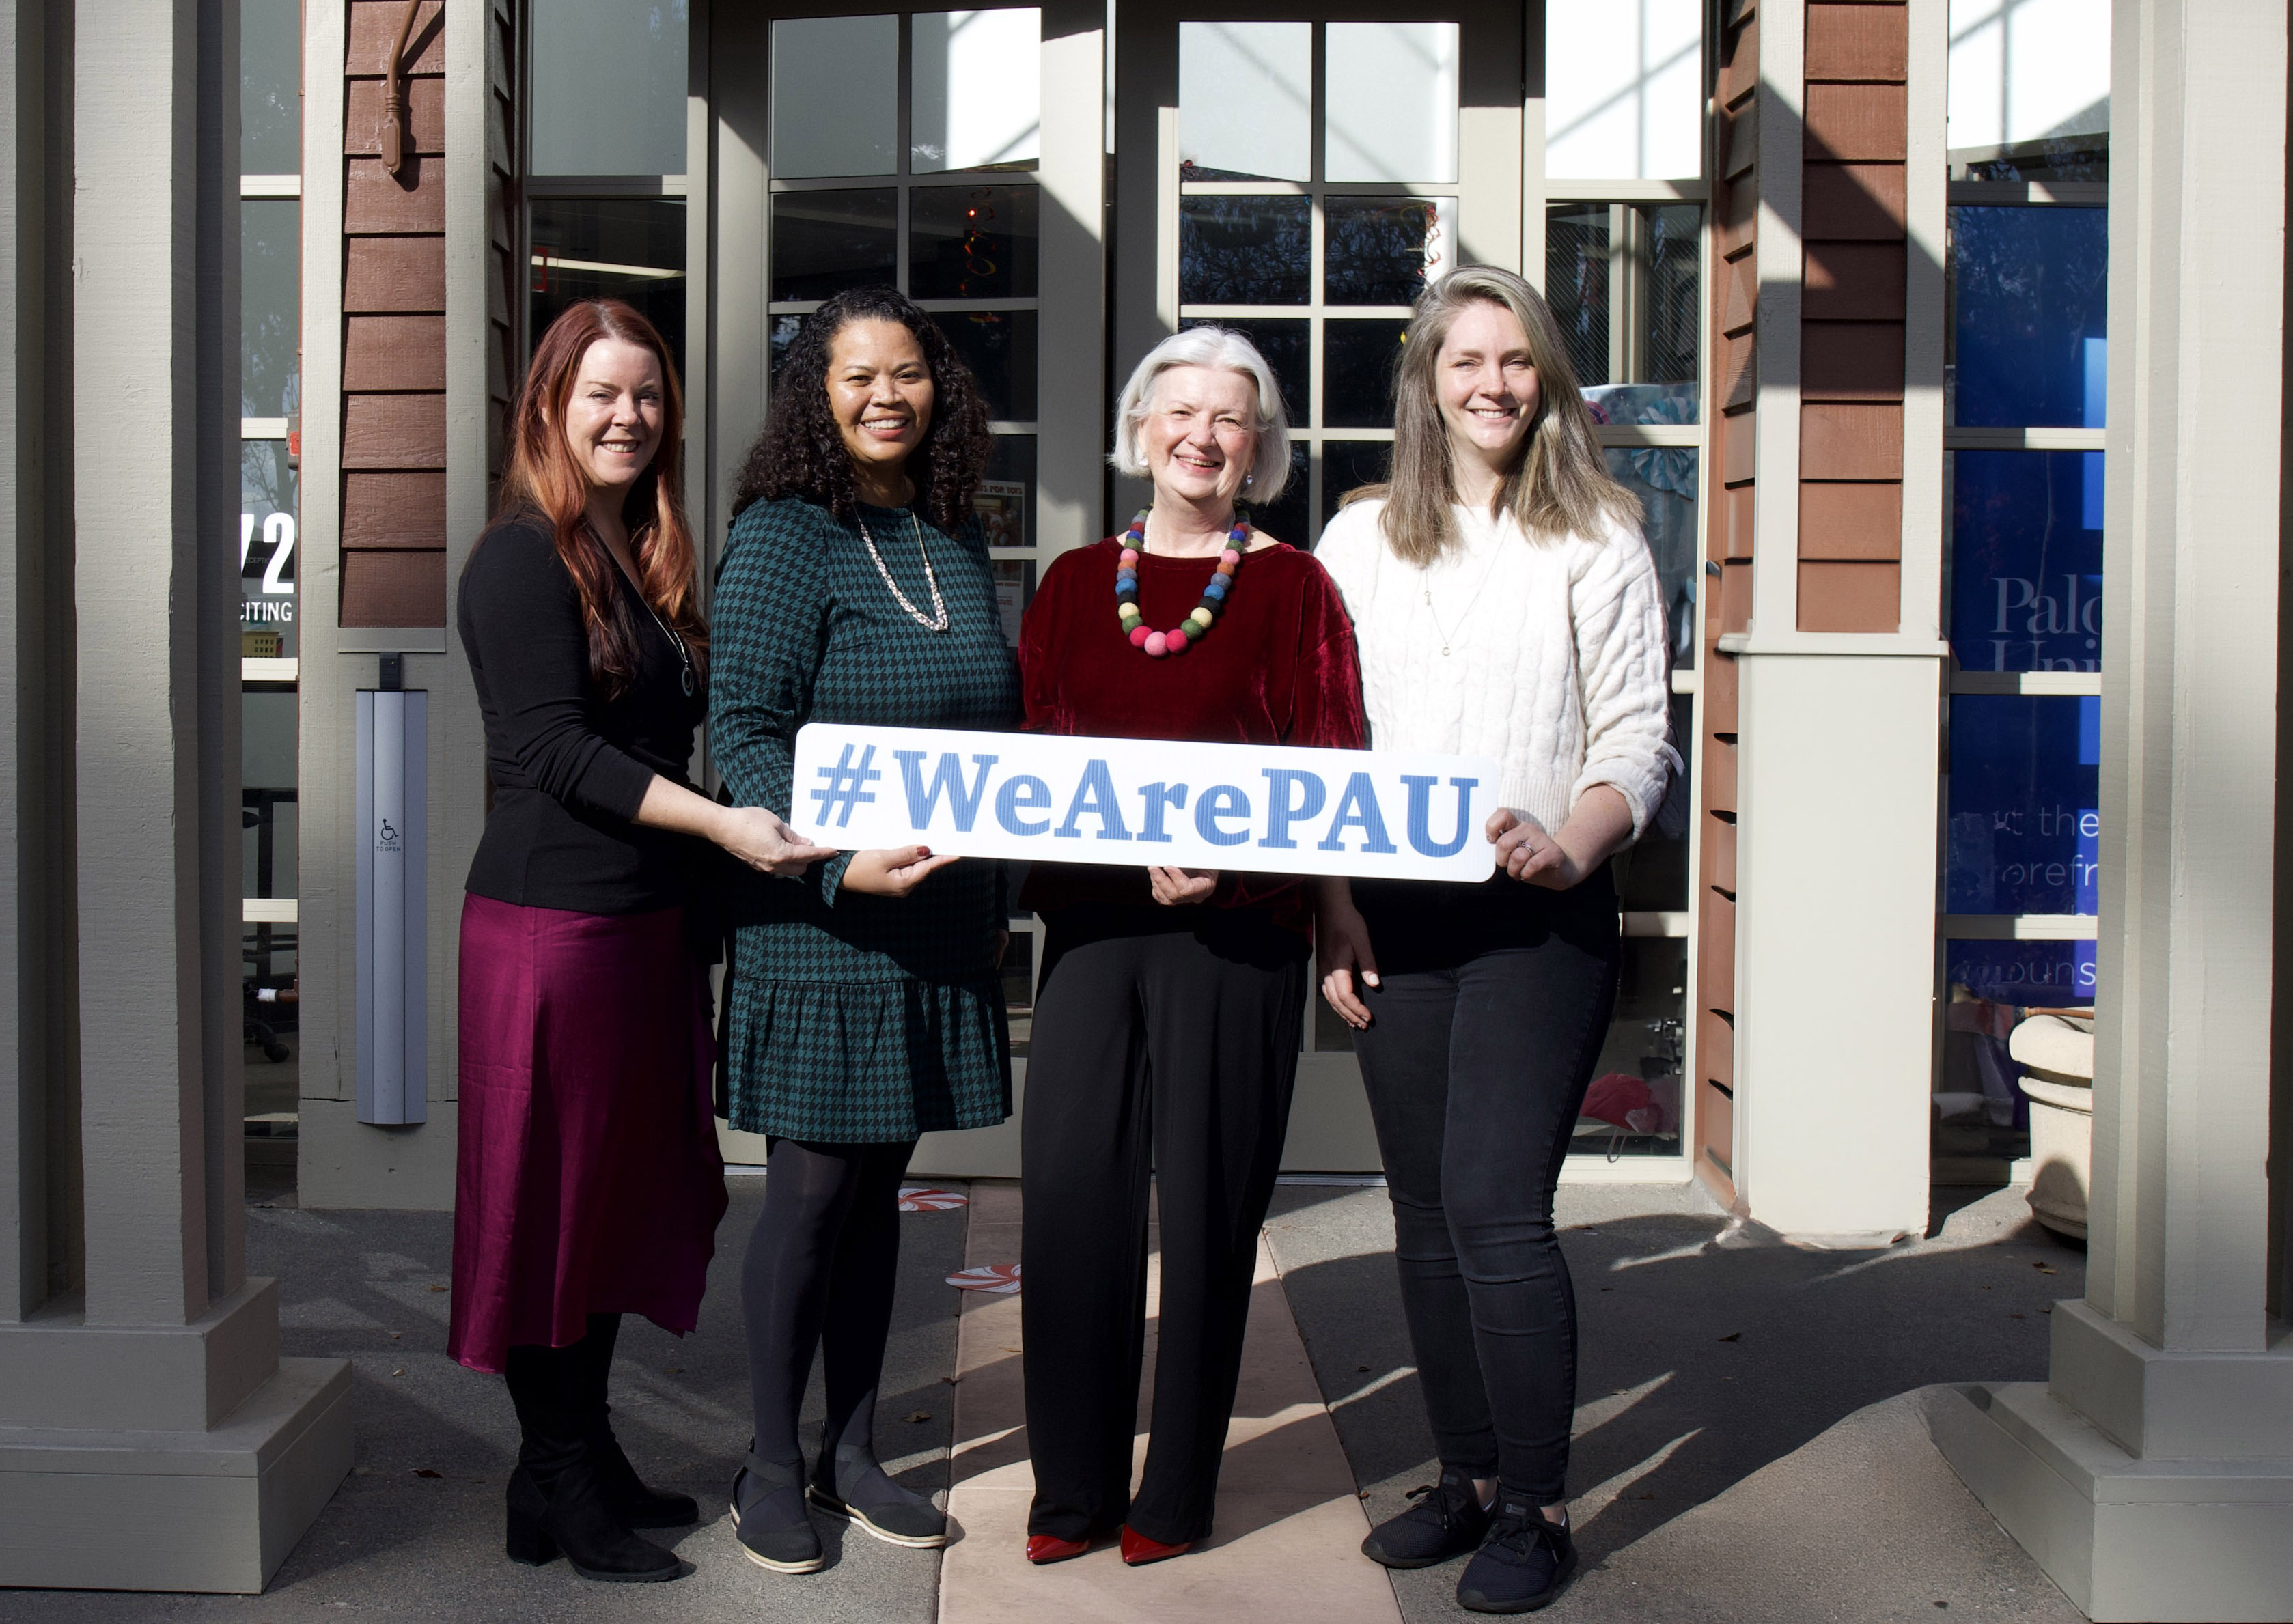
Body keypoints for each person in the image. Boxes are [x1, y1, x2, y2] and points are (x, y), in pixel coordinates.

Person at [1312, 265, 1679, 1614]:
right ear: (1423, 379)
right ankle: (1462, 1476)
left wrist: (1571, 840)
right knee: (1419, 1212)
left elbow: (1635, 735)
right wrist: (1332, 907)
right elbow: (1325, 744)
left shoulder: (1598, 535)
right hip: (1392, 914)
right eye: (1465, 359)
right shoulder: (1356, 543)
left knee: (1491, 1208)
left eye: (1516, 360)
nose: (1492, 384)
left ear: (1547, 380)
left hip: (1536, 915)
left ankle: (1536, 1502)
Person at [450, 299, 829, 1584]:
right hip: (552, 933)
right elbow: (548, 748)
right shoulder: (519, 556)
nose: (627, 417)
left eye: (648, 397)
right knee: (550, 1206)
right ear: (550, 407)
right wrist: (725, 827)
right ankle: (558, 1472)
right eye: (601, 395)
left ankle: (567, 1459)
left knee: (606, 1203)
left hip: (638, 926)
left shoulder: (636, 551)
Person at [1015, 326, 1365, 1568]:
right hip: (1093, 936)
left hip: (1237, 938)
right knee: (1067, 1201)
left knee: (1209, 1213)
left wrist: (1258, 875)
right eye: (1181, 412)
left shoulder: (1294, 590)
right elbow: (1030, 771)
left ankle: (1173, 1494)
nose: (1202, 436)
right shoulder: (1067, 584)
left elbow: (1332, 772)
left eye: (1231, 418)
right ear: (1140, 427)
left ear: (1257, 447)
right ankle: (1069, 1490)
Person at [711, 286, 1020, 1576]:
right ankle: (767, 1465)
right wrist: (837, 867)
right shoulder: (786, 535)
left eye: (906, 373)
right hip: (823, 922)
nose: (884, 395)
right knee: (812, 1198)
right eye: (854, 376)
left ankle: (852, 1450)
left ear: (937, 389)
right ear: (814, 394)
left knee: (880, 1201)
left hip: (932, 918)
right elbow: (739, 734)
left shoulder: (951, 535)